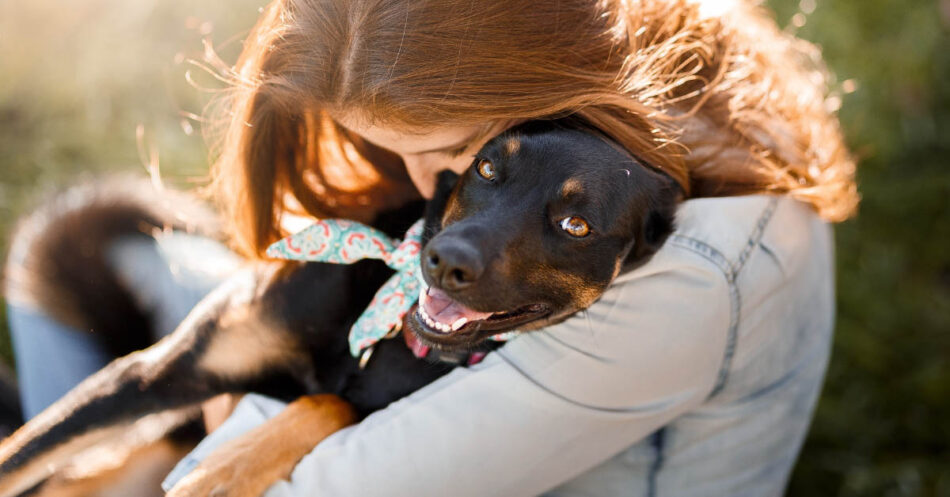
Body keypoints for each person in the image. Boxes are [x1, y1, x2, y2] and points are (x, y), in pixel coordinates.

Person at [6, 0, 859, 495]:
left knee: (91, 289)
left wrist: (223, 399)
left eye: (446, 147)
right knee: (87, 237)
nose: (424, 189)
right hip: (362, 376)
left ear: (527, 85)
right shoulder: (635, 59)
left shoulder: (665, 284)